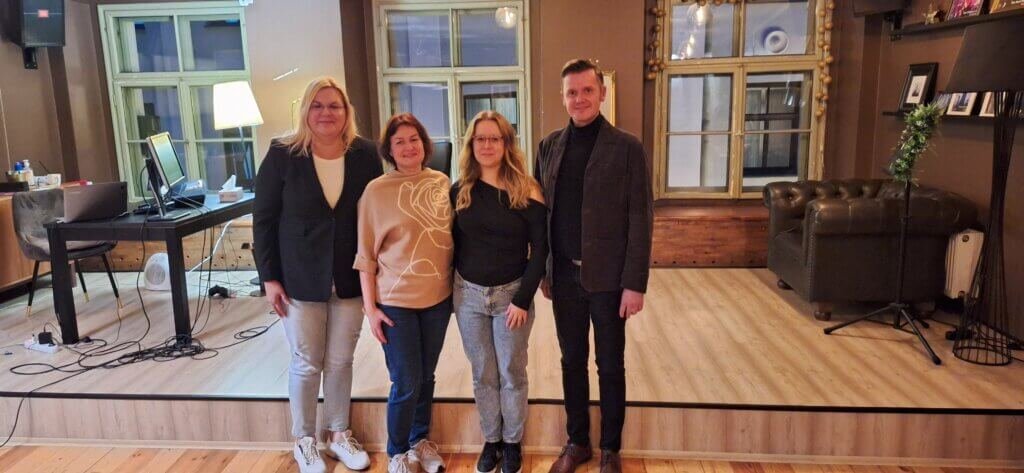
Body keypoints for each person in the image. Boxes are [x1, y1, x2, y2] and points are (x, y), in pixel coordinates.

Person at [253, 77, 381, 473]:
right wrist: (269, 277)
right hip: (299, 277)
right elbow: (264, 219)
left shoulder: (365, 154)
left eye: (334, 106)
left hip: (350, 275)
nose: (326, 113)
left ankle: (338, 434)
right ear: (306, 110)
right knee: (307, 361)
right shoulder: (283, 154)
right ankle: (305, 440)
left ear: (346, 112)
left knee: (341, 360)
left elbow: (374, 215)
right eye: (318, 105)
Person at [533, 59, 654, 473]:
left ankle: (611, 448)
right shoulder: (549, 147)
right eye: (572, 92)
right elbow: (541, 215)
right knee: (571, 362)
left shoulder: (627, 148)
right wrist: (544, 270)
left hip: (609, 279)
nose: (580, 99)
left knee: (610, 364)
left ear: (602, 94)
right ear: (563, 97)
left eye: (587, 90)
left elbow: (640, 217)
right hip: (564, 277)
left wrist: (635, 283)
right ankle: (577, 441)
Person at [354, 113, 454, 473]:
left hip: (438, 300)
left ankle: (419, 440)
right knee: (406, 380)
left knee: (426, 377)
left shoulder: (441, 182)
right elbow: (365, 257)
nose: (408, 147)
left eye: (414, 139)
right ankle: (397, 452)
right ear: (389, 150)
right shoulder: (375, 191)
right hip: (395, 302)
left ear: (424, 145)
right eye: (400, 142)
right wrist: (370, 309)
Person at [451, 111, 547, 473]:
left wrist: (523, 299)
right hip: (469, 297)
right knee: (483, 373)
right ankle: (491, 439)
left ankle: (512, 442)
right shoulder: (459, 190)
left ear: (506, 144)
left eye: (495, 138)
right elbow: (452, 247)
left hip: (512, 297)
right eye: (480, 138)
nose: (487, 145)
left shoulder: (527, 189)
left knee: (511, 371)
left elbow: (541, 250)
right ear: (471, 144)